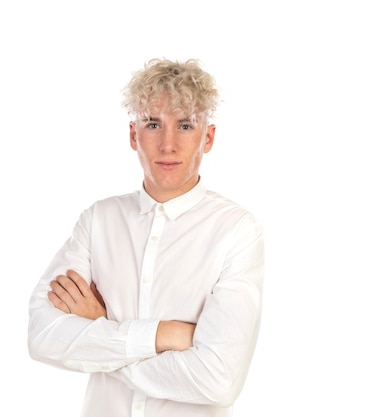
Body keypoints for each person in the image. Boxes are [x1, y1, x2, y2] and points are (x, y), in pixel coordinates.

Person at [27, 58, 265, 417]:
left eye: (185, 125)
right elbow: (42, 336)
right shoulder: (98, 221)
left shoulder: (236, 230)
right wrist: (167, 335)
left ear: (208, 138)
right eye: (153, 124)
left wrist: (101, 331)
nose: (168, 144)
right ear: (133, 135)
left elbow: (218, 380)